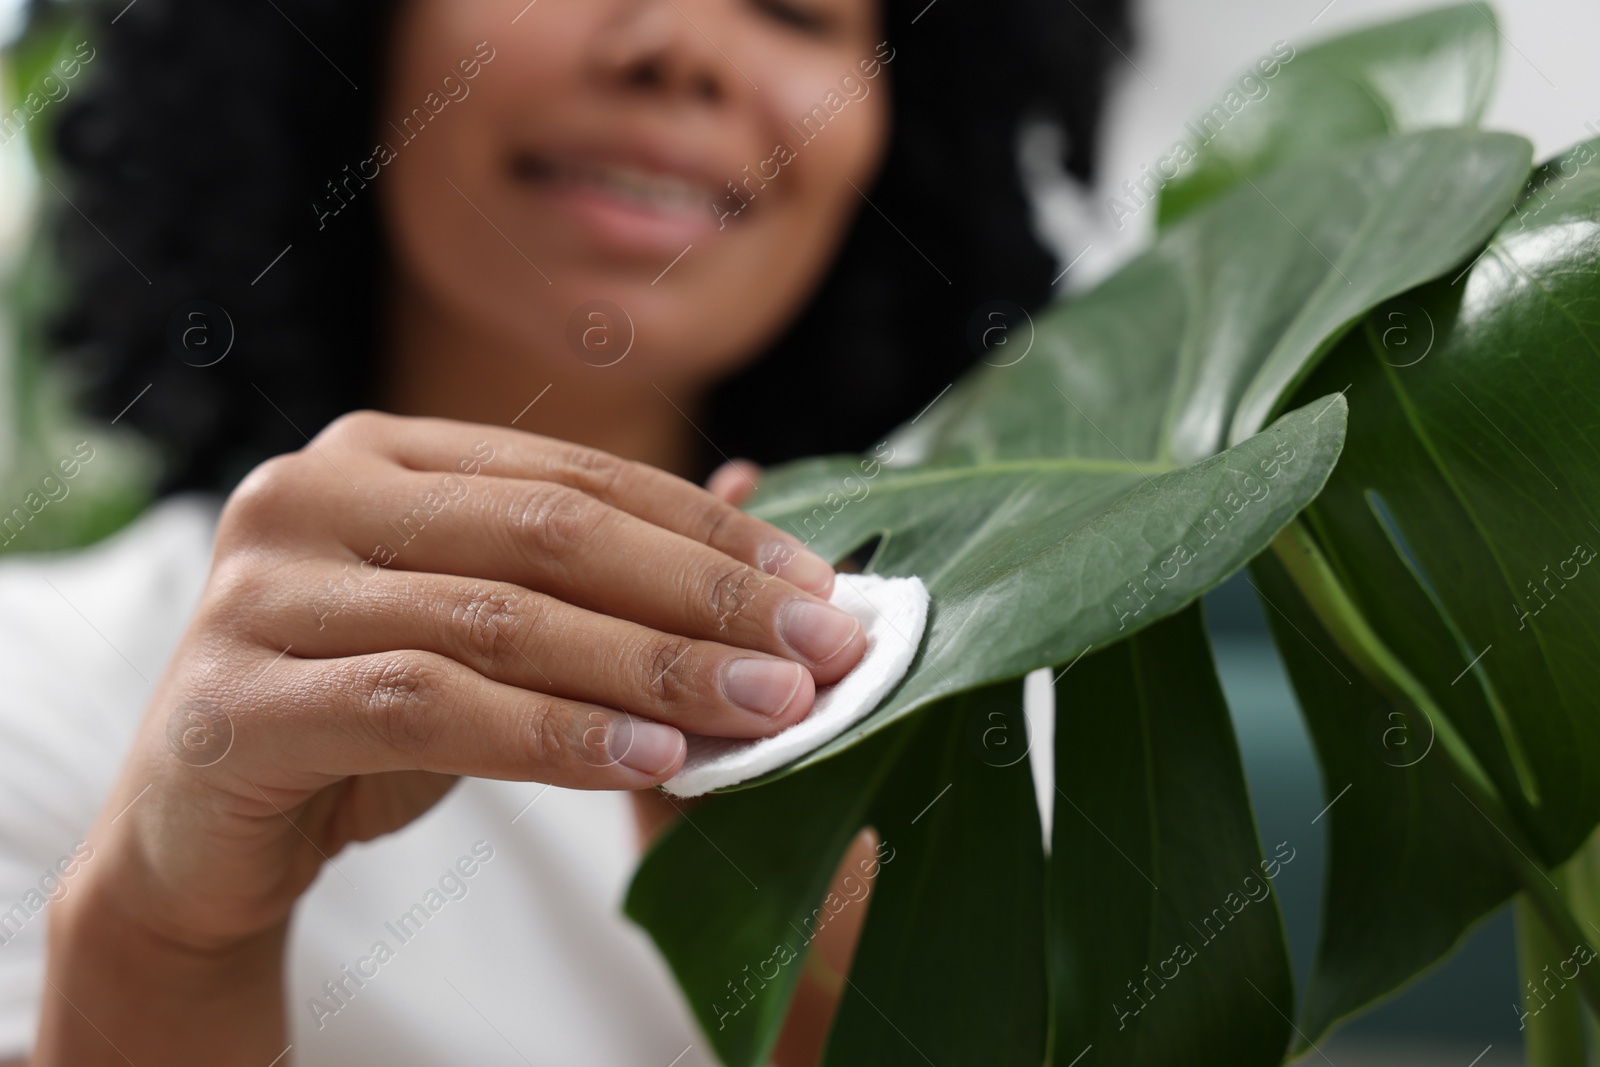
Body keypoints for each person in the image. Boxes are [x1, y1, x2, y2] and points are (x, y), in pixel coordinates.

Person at [0, 0, 1126, 1061]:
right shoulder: (37, 683)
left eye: (791, 6)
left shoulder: (1007, 687)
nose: (680, 43)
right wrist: (161, 933)